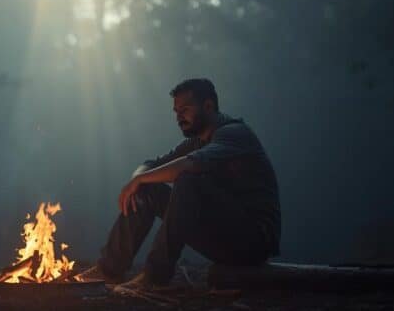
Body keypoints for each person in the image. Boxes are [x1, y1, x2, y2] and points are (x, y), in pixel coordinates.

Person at [76, 78, 281, 289]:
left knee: (187, 181)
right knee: (149, 187)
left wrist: (139, 179)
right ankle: (109, 270)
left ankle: (155, 277)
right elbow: (150, 165)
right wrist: (138, 180)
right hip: (223, 235)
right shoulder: (197, 142)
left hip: (253, 240)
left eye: (185, 109)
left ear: (208, 106)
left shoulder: (234, 133)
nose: (179, 116)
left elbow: (190, 165)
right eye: (176, 111)